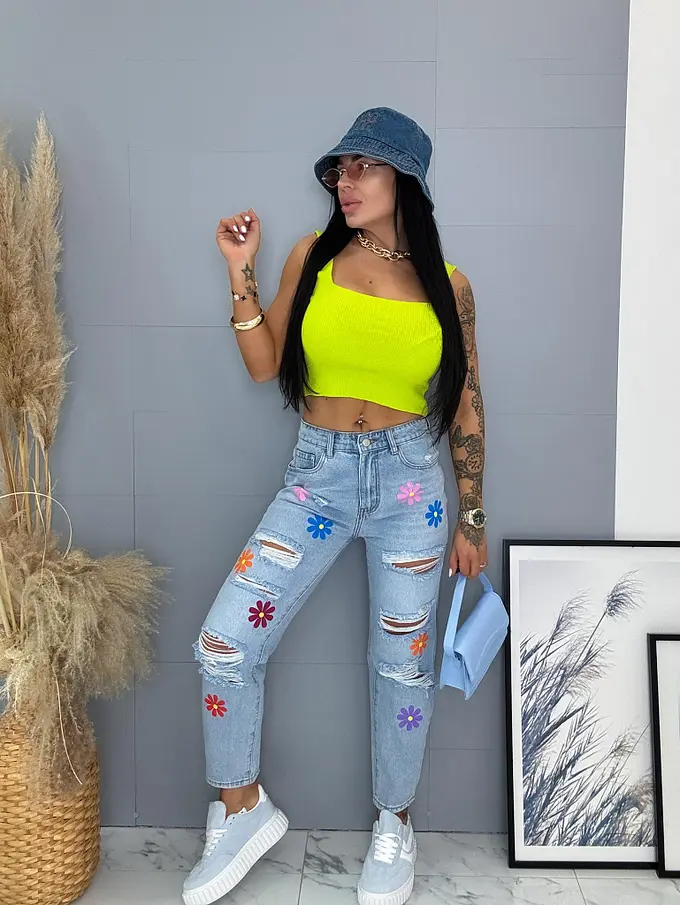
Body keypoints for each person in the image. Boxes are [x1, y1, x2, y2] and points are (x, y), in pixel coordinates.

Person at [182, 106, 488, 905]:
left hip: (412, 487)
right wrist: (239, 269)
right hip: (316, 477)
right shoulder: (312, 255)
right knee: (222, 643)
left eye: (364, 167)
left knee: (401, 668)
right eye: (340, 170)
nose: (345, 182)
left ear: (405, 179)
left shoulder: (450, 286)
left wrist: (473, 515)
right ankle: (241, 807)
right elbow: (263, 363)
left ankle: (395, 823)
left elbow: (465, 403)